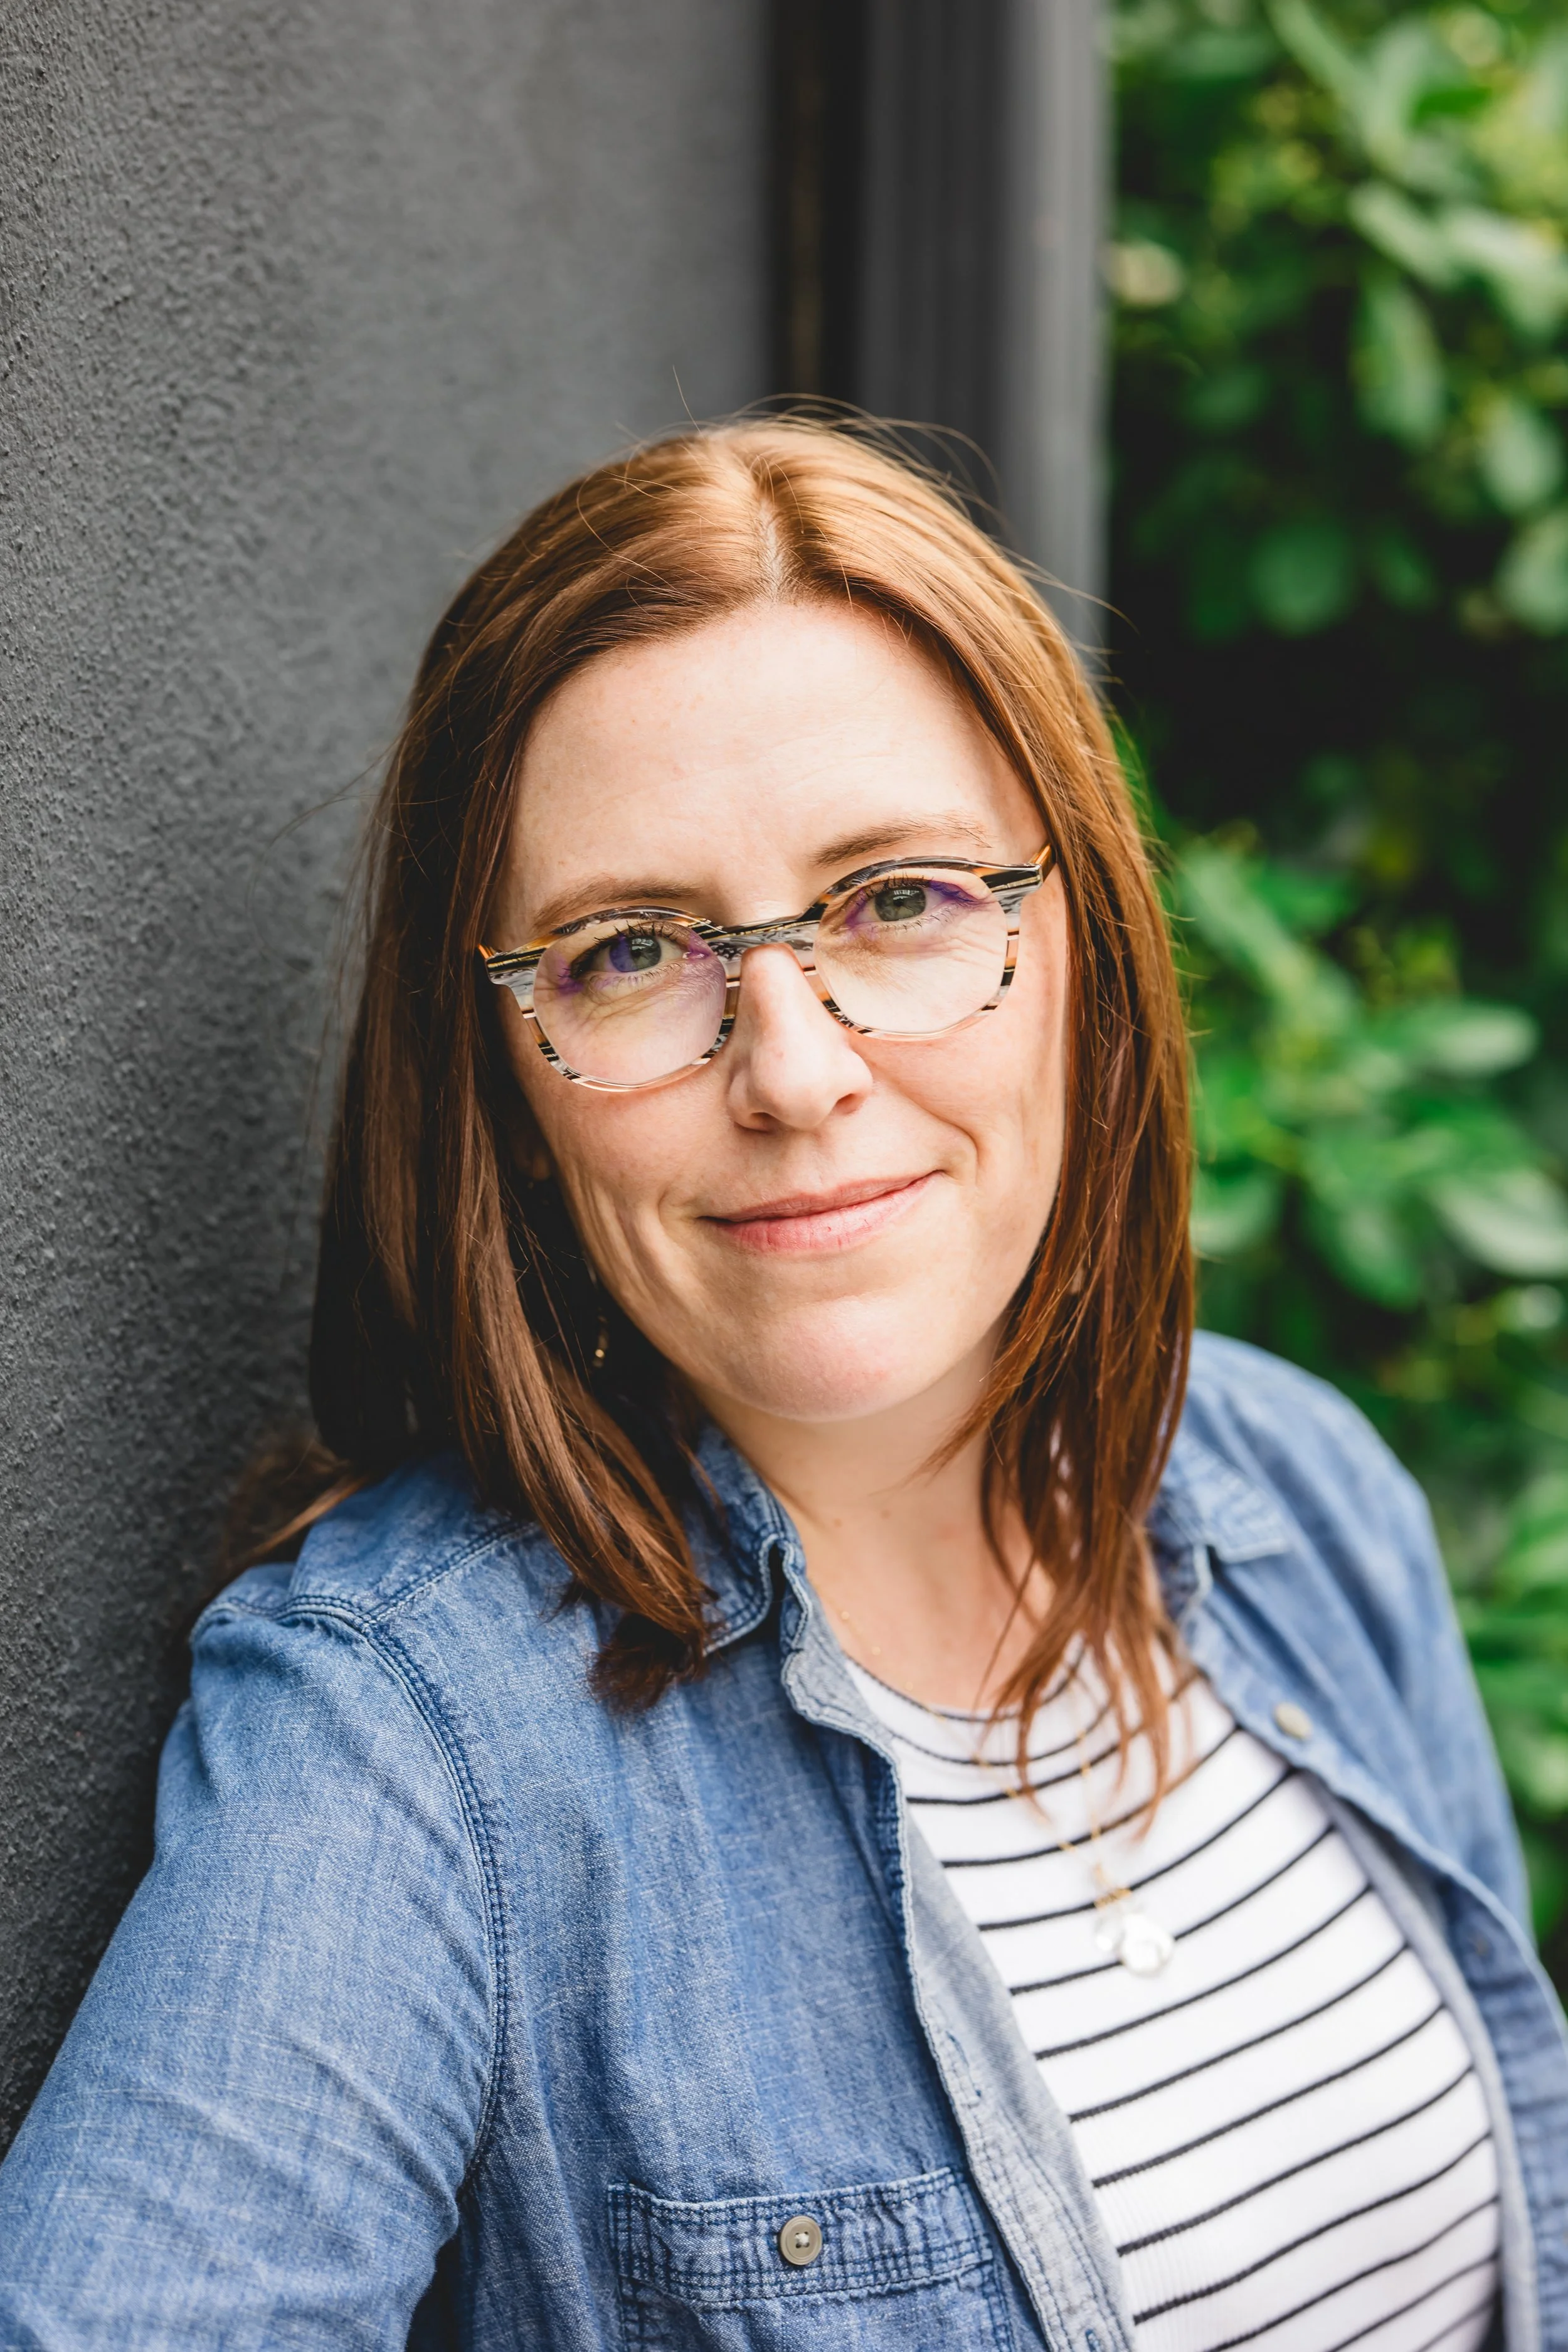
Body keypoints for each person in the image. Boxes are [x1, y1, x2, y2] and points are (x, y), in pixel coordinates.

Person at [0, 420, 1562, 2352]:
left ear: (1083, 944)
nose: (796, 1071)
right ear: (502, 1083)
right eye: (628, 949)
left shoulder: (1295, 1490)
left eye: (898, 899)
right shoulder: (411, 1739)